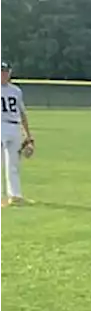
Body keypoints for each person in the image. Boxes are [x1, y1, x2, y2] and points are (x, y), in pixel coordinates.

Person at [0, 61, 34, 207]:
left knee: (13, 164)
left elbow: (22, 114)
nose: (4, 74)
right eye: (1, 71)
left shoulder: (16, 90)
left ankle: (15, 195)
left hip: (14, 127)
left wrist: (28, 135)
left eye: (6, 71)